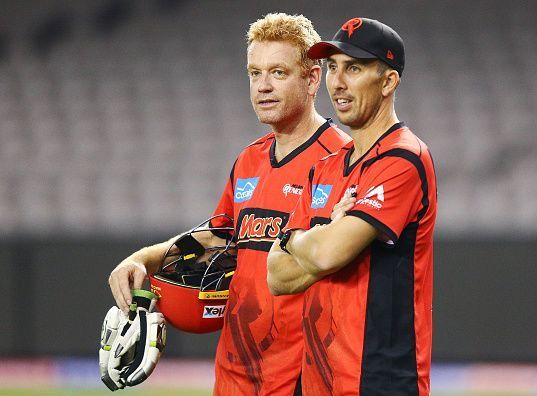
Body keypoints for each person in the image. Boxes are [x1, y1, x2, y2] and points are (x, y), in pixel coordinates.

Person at [108, 13, 350, 396]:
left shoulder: (343, 158)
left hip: (306, 379)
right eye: (254, 73)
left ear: (312, 78)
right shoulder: (249, 160)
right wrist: (139, 260)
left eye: (278, 73)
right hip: (235, 376)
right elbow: (216, 240)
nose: (263, 87)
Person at [267, 18, 437, 396]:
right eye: (333, 67)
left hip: (379, 381)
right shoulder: (325, 166)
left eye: (354, 68)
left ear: (389, 81)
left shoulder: (403, 159)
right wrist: (323, 234)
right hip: (317, 381)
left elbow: (327, 255)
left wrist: (297, 240)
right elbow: (276, 277)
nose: (337, 82)